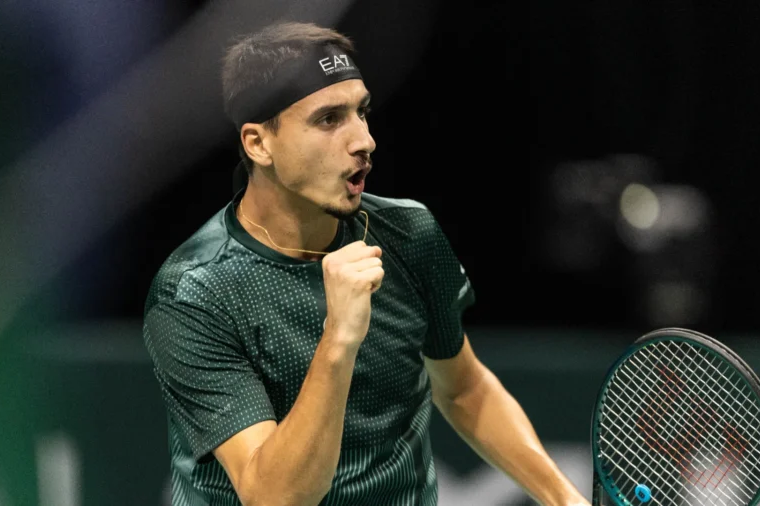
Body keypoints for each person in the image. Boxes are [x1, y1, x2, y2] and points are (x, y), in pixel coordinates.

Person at [142, 20, 590, 506]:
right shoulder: (195, 290)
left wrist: (564, 499)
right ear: (258, 143)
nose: (364, 141)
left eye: (362, 112)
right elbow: (274, 497)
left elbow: (464, 390)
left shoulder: (408, 234)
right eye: (329, 119)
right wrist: (339, 338)